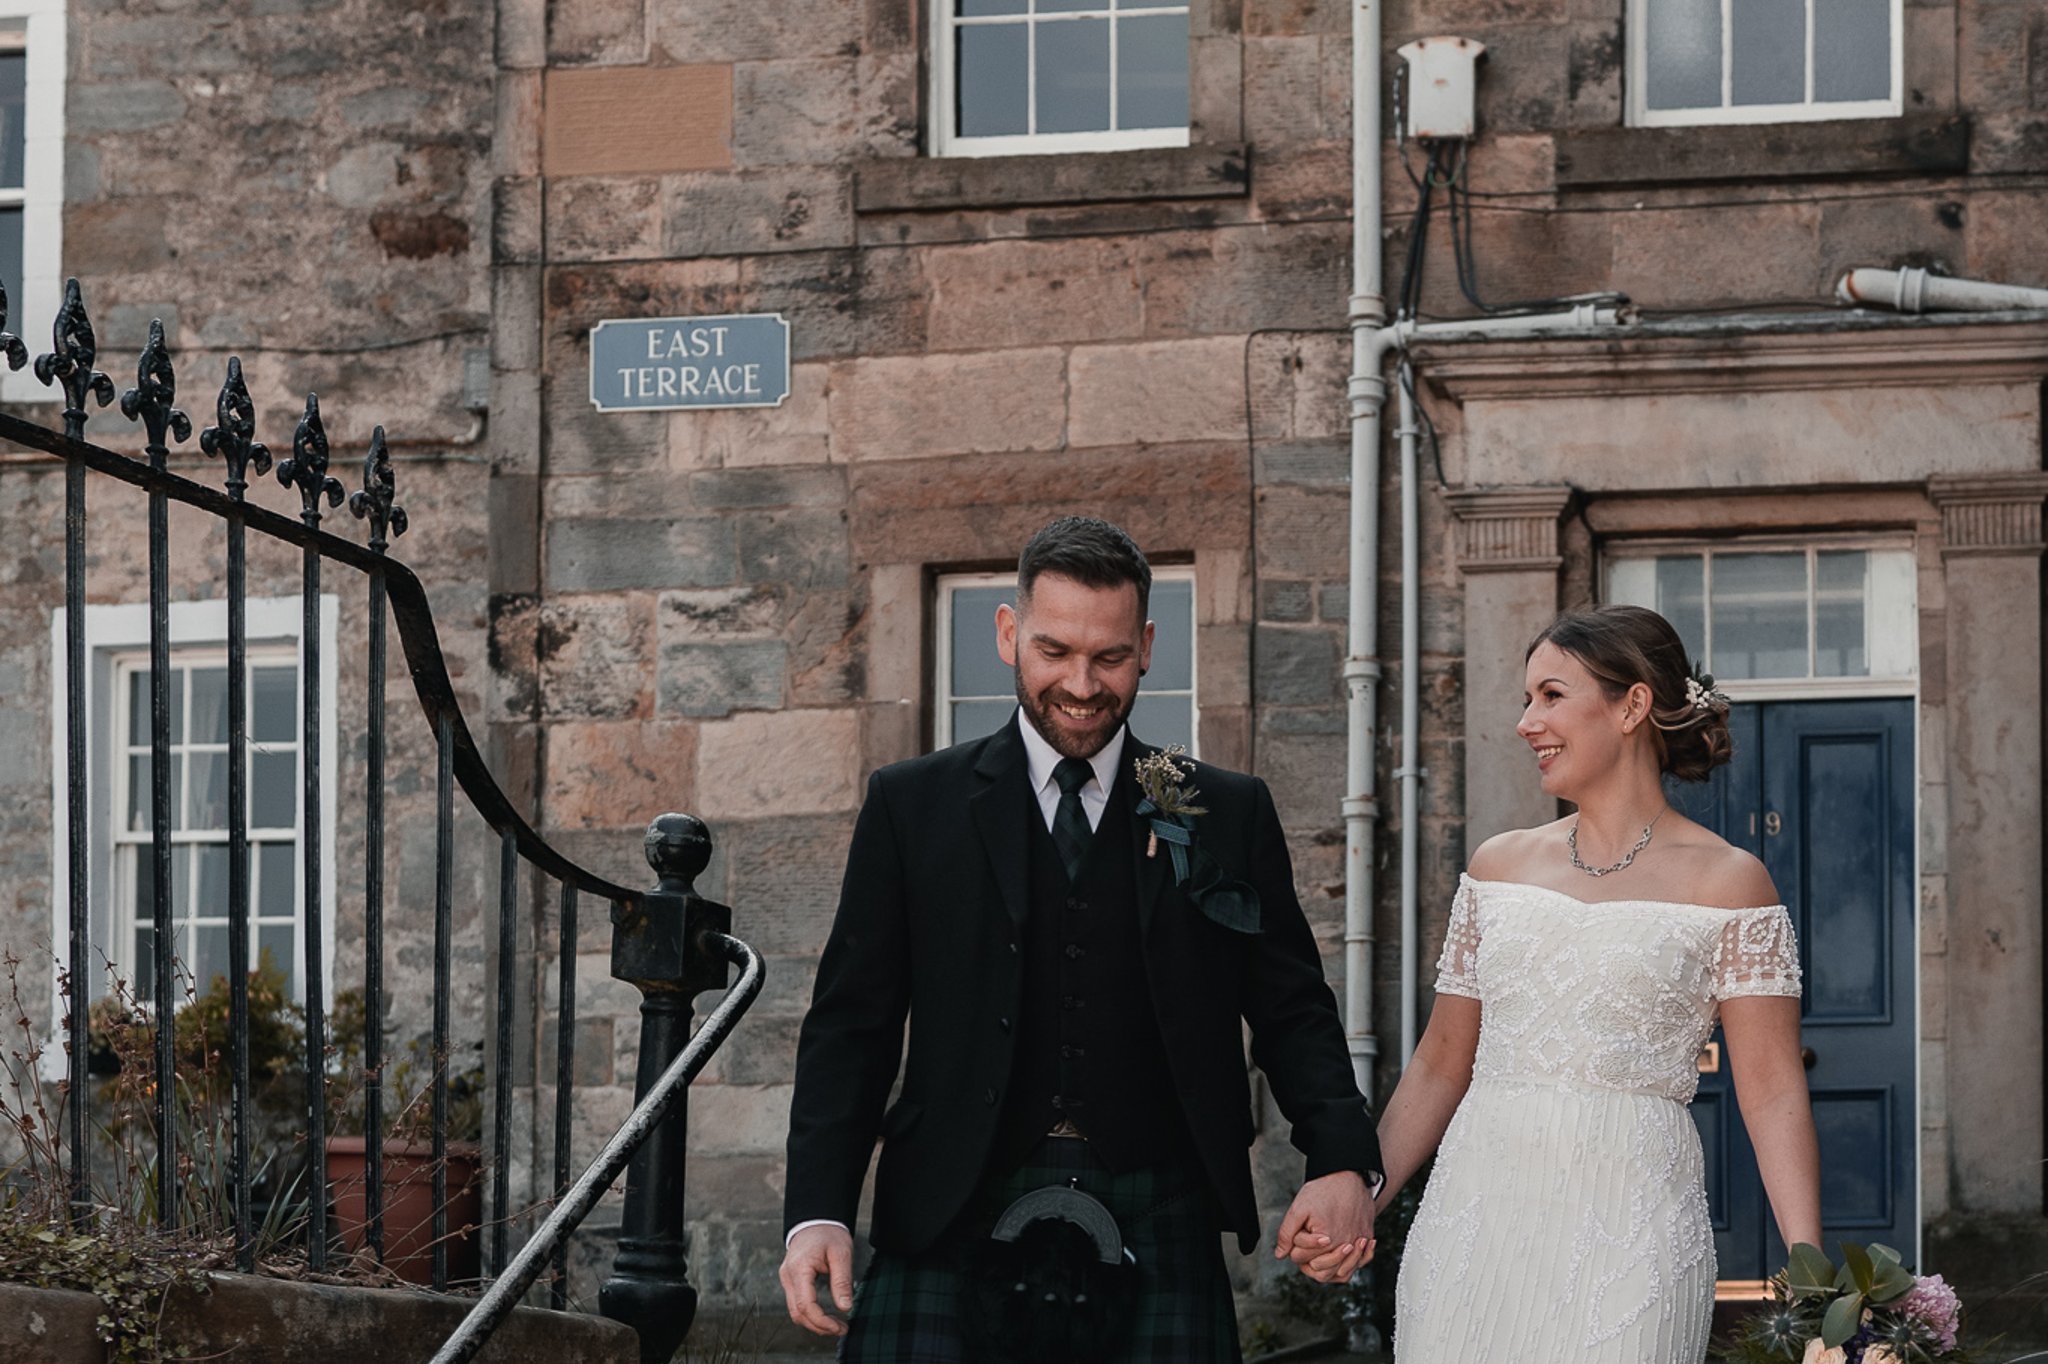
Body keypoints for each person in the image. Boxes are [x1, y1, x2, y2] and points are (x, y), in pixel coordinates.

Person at [779, 515, 1384, 1362]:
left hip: (1159, 1202)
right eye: (1054, 651)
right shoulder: (913, 803)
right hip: (951, 1203)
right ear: (1008, 634)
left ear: (1146, 647)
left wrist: (1343, 1160)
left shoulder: (1215, 807)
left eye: (1109, 657)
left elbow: (1291, 1008)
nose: (1081, 683)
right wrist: (818, 1210)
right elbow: (853, 1025)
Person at [1359, 604, 1822, 1362]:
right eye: (1526, 699)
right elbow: (1441, 1063)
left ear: (1631, 705)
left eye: (1551, 695)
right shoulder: (1497, 868)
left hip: (1633, 1234)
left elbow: (1771, 1090)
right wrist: (1362, 1200)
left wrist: (1814, 1277)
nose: (1526, 723)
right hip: (1474, 1225)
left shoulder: (1730, 883)